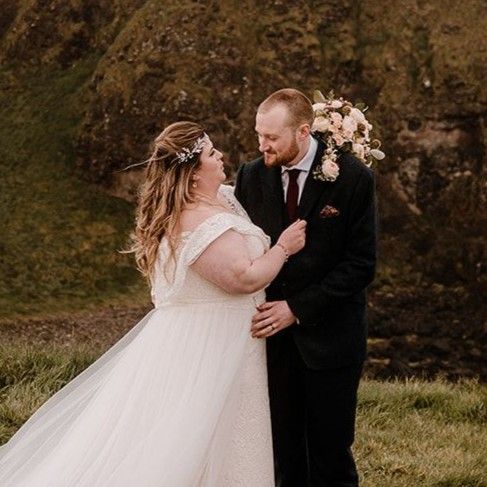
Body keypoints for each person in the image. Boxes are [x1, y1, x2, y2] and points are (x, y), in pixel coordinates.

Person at [0, 121, 307, 486]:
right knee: (195, 439)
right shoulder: (194, 221)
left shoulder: (220, 199)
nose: (221, 156)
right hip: (210, 348)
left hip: (231, 342)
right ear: (192, 174)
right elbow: (244, 278)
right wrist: (283, 248)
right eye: (211, 153)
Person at [235, 88, 377, 487]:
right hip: (271, 344)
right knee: (282, 455)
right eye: (258, 134)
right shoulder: (250, 175)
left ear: (302, 132)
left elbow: (361, 264)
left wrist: (295, 308)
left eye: (271, 138)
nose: (262, 145)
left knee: (330, 456)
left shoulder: (353, 178)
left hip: (332, 341)